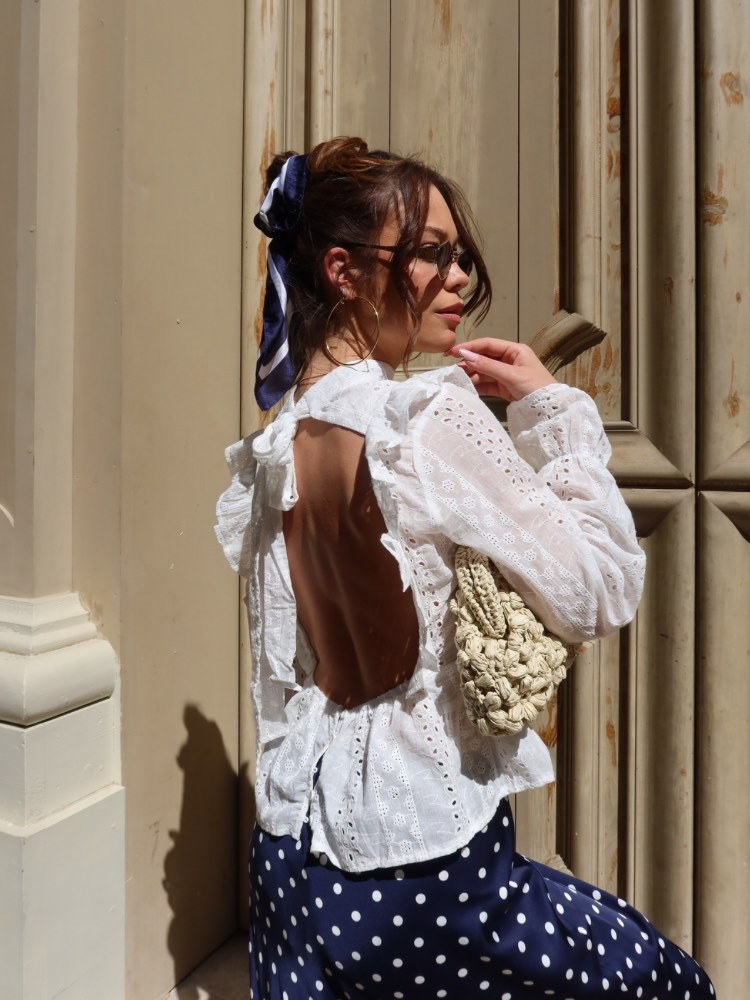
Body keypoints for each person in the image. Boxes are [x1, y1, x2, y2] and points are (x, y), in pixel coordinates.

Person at [216, 137, 715, 1000]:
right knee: (668, 985)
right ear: (343, 269)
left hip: (297, 869)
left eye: (459, 255)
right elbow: (600, 588)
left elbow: (288, 673)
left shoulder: (277, 441)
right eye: (431, 254)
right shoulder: (422, 418)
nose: (457, 278)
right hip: (424, 874)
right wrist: (553, 414)